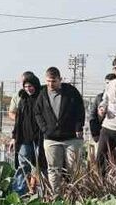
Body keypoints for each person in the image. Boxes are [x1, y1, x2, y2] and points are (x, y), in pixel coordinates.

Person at [33, 66, 86, 197]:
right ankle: (55, 196)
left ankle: (76, 195)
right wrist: (45, 129)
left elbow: (80, 110)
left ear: (60, 79)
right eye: (48, 81)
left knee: (74, 168)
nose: (51, 84)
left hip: (71, 138)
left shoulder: (71, 92)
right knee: (53, 170)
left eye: (54, 81)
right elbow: (37, 112)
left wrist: (79, 127)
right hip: (51, 139)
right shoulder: (43, 94)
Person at [10, 71, 45, 184]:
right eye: (25, 86)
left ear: (35, 85)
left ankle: (40, 192)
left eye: (30, 86)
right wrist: (14, 137)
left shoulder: (42, 98)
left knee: (39, 166)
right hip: (24, 139)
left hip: (39, 138)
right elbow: (18, 121)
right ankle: (19, 191)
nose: (28, 89)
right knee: (23, 165)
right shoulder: (23, 100)